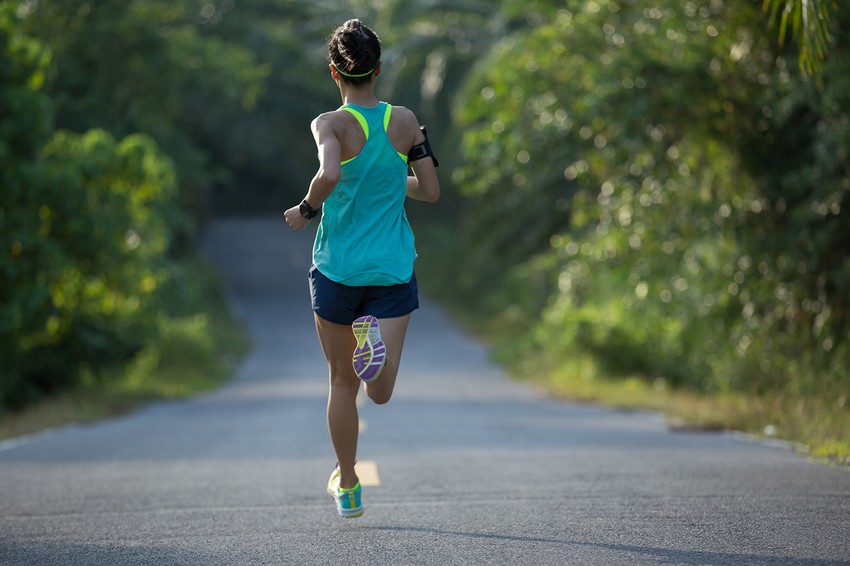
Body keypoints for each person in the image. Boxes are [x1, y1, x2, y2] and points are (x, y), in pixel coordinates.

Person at [283, 18, 440, 519]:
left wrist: (305, 211)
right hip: (391, 270)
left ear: (336, 72)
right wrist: (396, 183)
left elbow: (329, 173)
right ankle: (375, 350)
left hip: (338, 271)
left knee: (339, 383)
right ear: (379, 69)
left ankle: (347, 484)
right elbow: (431, 189)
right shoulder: (405, 121)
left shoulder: (330, 123)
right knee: (381, 390)